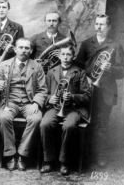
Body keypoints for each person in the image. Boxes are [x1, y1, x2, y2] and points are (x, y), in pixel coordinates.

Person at [75, 14, 124, 168]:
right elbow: (78, 66)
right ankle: (85, 155)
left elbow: (123, 71)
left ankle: (100, 155)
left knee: (102, 124)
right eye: (96, 24)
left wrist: (110, 68)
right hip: (88, 88)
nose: (98, 27)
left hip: (106, 91)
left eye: (102, 24)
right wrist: (86, 79)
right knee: (85, 122)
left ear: (108, 27)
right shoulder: (86, 43)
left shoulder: (116, 45)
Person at [0, 38, 47, 171]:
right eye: (21, 47)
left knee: (36, 119)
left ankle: (23, 155)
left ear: (30, 51)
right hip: (9, 102)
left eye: (26, 48)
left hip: (29, 102)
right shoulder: (4, 65)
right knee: (4, 117)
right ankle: (10, 154)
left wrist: (36, 103)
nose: (23, 50)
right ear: (15, 49)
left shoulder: (37, 66)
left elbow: (42, 89)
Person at [40, 46, 91, 175]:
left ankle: (64, 162)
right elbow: (44, 92)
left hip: (74, 108)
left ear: (73, 56)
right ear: (59, 56)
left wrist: (73, 97)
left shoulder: (80, 72)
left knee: (69, 126)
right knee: (44, 124)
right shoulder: (51, 72)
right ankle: (48, 161)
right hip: (56, 107)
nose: (66, 57)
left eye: (69, 55)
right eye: (63, 54)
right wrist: (49, 99)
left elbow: (87, 96)